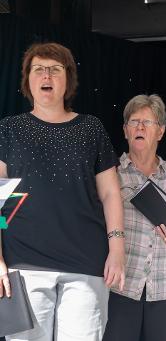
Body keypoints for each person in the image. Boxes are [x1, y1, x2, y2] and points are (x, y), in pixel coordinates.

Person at [0, 42, 125, 341]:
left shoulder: (91, 128)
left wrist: (117, 250)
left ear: (67, 79)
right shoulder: (8, 129)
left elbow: (110, 194)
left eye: (55, 70)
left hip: (85, 265)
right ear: (27, 80)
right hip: (24, 265)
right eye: (39, 69)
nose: (47, 75)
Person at [103, 94, 166, 341]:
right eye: (134, 122)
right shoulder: (110, 174)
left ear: (161, 131)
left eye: (148, 122)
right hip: (120, 289)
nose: (140, 127)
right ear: (125, 131)